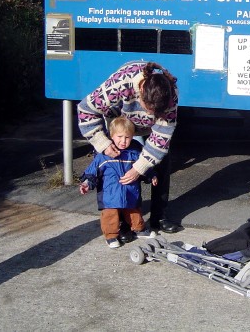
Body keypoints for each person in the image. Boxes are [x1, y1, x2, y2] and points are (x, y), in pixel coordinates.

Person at [77, 61, 182, 233]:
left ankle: (159, 216)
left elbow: (162, 136)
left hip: (151, 129)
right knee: (116, 169)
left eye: (154, 112)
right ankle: (123, 222)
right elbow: (85, 110)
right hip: (120, 122)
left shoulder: (171, 93)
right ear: (140, 93)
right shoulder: (121, 83)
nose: (150, 114)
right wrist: (103, 144)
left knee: (161, 165)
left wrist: (140, 168)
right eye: (148, 109)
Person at [79, 117, 156, 248]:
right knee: (110, 216)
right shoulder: (103, 154)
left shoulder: (135, 152)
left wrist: (151, 175)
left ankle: (139, 229)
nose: (123, 141)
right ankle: (111, 236)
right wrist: (87, 183)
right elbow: (92, 171)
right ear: (111, 136)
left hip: (130, 191)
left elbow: (144, 165)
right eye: (119, 136)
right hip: (110, 194)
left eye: (127, 137)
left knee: (134, 212)